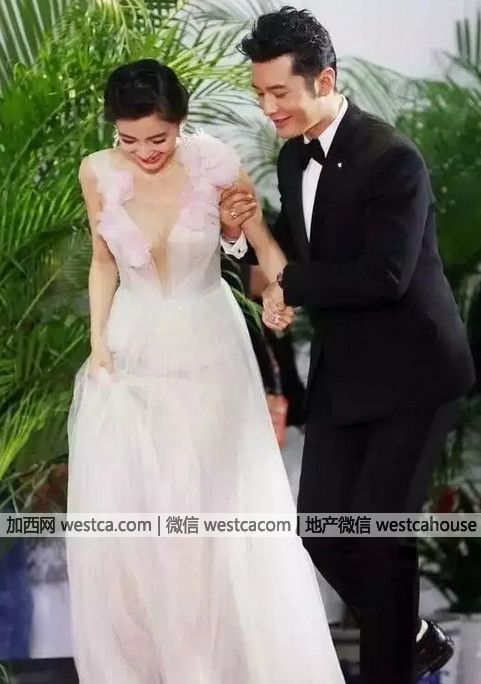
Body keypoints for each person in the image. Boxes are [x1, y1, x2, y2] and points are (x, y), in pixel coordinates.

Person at [65, 59, 345, 683]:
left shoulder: (214, 161)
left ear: (181, 122)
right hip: (132, 351)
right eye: (129, 139)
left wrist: (279, 294)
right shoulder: (96, 171)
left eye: (158, 138)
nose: (144, 152)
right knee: (138, 522)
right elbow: (104, 263)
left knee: (209, 513)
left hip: (207, 349)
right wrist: (98, 343)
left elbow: (261, 245)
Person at [219, 7, 475, 684]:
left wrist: (288, 284)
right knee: (321, 532)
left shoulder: (392, 158)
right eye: (259, 93)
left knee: (380, 541)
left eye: (280, 92)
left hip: (415, 374)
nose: (268, 108)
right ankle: (412, 635)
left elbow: (384, 275)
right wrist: (241, 242)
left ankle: (391, 666)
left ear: (324, 79)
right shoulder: (291, 156)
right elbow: (288, 249)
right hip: (346, 374)